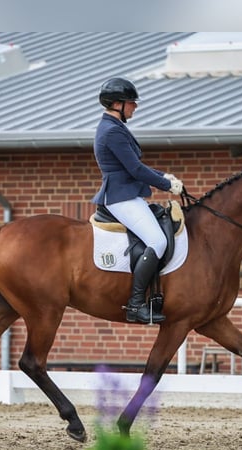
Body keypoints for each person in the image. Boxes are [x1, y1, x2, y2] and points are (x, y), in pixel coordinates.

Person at [91, 77, 184, 324]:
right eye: (131, 102)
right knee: (157, 240)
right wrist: (166, 184)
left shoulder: (115, 127)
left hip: (128, 194)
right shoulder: (112, 131)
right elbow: (135, 169)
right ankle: (135, 305)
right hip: (120, 197)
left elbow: (136, 167)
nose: (135, 106)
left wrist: (164, 176)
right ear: (117, 104)